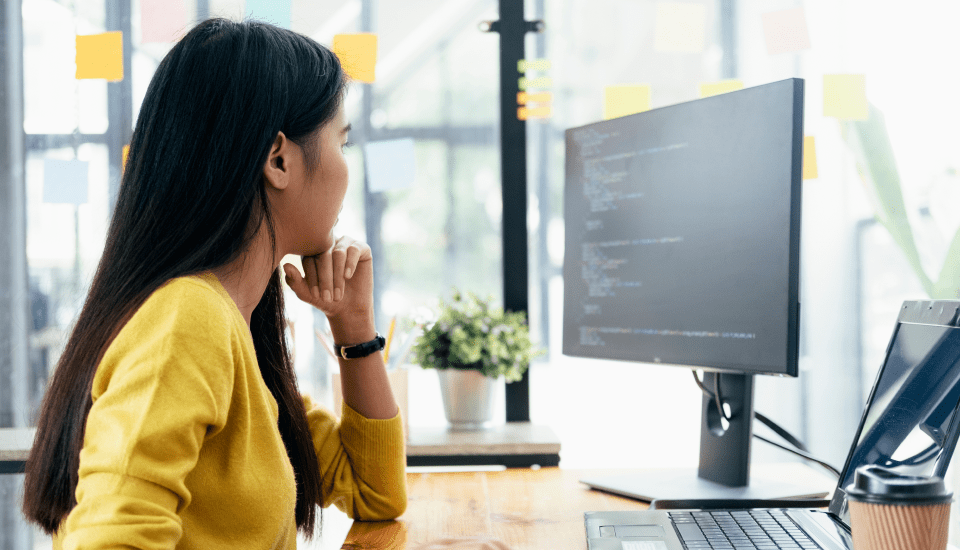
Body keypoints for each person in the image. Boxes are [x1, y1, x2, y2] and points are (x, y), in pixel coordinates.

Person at [21, 17, 406, 549]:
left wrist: (354, 326)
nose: (346, 170)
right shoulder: (189, 318)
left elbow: (374, 493)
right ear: (279, 159)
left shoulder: (232, 324)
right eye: (341, 142)